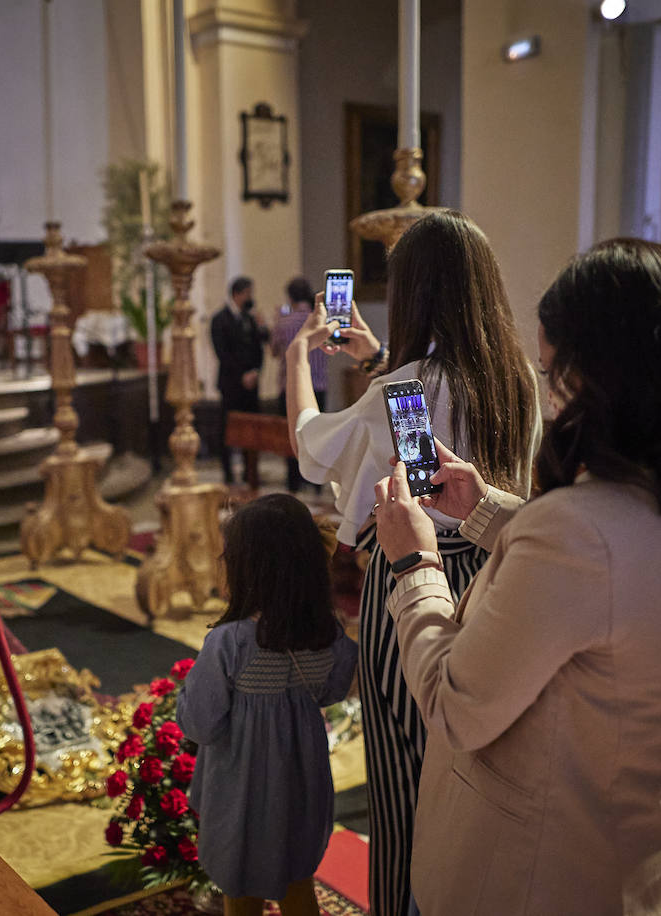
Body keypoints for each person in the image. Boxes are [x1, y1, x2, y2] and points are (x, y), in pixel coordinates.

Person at [371, 239, 661, 915]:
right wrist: (487, 509)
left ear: (609, 379)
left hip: (545, 868)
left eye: (555, 373)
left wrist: (416, 564)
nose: (553, 400)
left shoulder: (581, 533)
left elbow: (457, 706)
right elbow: (628, 583)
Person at [284, 210, 541, 916]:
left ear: (414, 293)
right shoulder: (514, 376)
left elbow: (313, 448)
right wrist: (380, 363)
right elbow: (435, 409)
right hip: (495, 579)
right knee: (474, 780)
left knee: (405, 787)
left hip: (411, 583)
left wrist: (295, 361)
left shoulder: (403, 387)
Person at [176, 493, 357, 916]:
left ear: (248, 567)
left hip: (242, 788)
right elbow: (332, 692)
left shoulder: (230, 642)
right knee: (297, 882)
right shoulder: (327, 632)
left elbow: (200, 723)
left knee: (240, 888)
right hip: (301, 780)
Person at [270, 277, 327, 493]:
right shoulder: (320, 320)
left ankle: (293, 481)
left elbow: (274, 351)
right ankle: (317, 484)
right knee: (319, 436)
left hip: (291, 387)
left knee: (293, 436)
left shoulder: (285, 322)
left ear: (290, 298)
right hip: (319, 385)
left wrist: (277, 320)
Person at [210, 276, 269, 486]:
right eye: (248, 294)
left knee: (251, 427)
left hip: (251, 383)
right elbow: (222, 353)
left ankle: (249, 470)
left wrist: (255, 371)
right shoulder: (220, 319)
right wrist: (241, 375)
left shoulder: (250, 318)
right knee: (228, 426)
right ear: (237, 294)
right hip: (231, 383)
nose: (251, 298)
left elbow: (260, 347)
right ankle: (228, 472)